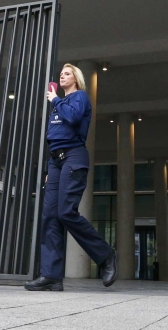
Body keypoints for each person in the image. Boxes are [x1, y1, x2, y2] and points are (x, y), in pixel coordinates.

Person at [24, 64, 118, 291]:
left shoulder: (79, 97)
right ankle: (51, 276)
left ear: (76, 78)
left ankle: (106, 255)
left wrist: (55, 99)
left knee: (66, 212)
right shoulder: (60, 103)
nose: (62, 76)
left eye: (67, 73)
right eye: (61, 74)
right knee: (49, 216)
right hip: (56, 161)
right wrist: (50, 170)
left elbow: (74, 119)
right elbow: (54, 137)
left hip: (74, 156)